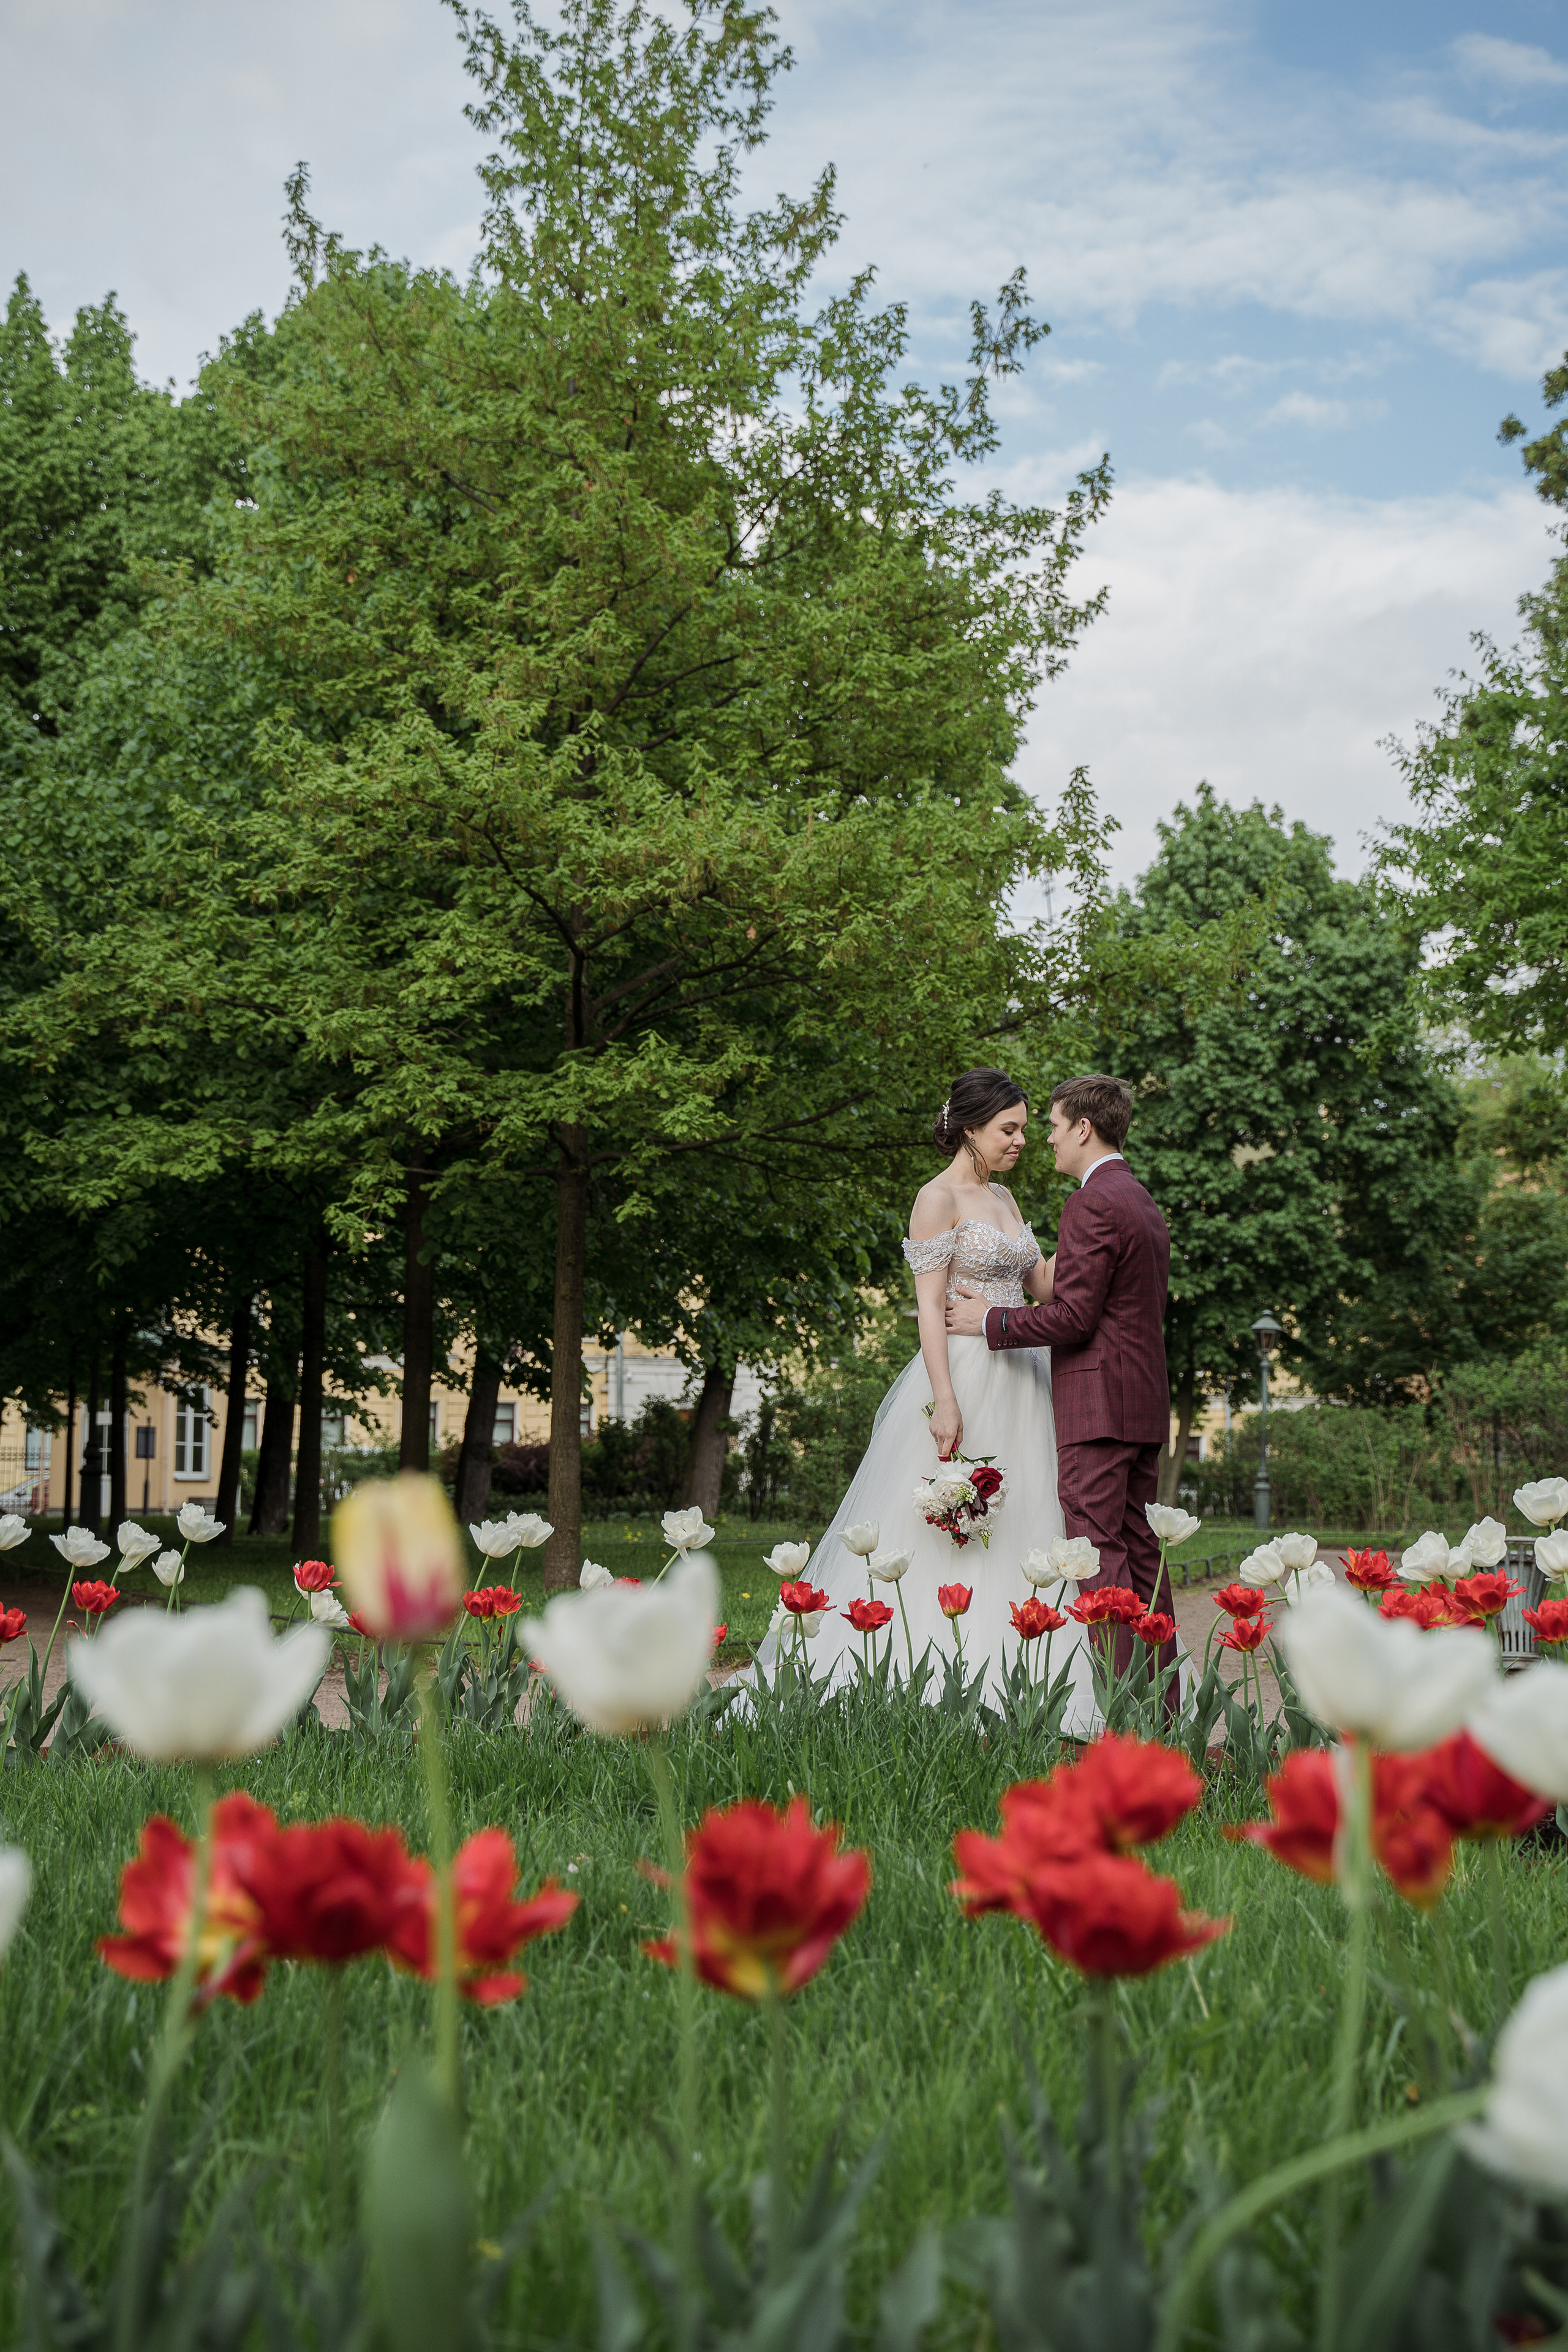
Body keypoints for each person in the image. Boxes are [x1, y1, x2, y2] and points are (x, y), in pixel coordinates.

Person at [752, 1068, 1093, 1717]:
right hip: (967, 1371)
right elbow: (928, 1307)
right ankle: (935, 1680)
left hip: (1025, 1373)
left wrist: (1088, 1225)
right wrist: (945, 1400)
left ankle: (1033, 1681)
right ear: (969, 1128)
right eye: (1008, 1129)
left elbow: (1045, 1287)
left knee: (1027, 1519)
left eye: (1025, 1129)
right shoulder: (936, 1198)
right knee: (956, 1524)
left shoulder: (1008, 1200)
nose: (1021, 1140)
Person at [946, 1073, 1174, 1679]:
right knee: (1142, 1559)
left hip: (1097, 1408)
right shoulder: (1138, 1198)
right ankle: (1162, 1710)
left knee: (1096, 1556)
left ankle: (1123, 1712)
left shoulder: (1091, 1200)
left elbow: (1074, 1317)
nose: (1043, 1140)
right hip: (1141, 1405)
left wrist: (990, 1320)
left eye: (1049, 1126)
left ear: (1081, 1127)